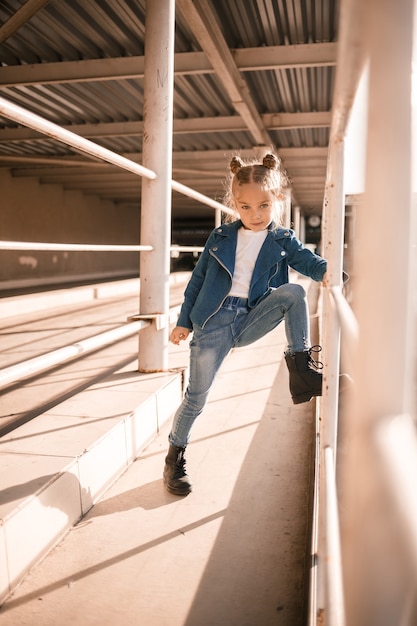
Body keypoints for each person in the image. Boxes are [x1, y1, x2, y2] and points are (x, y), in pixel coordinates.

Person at [164, 152, 328, 496]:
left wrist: (328, 272)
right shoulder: (221, 237)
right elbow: (197, 281)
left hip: (251, 317)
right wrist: (183, 322)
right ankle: (173, 460)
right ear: (234, 204)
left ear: (277, 201)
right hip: (212, 322)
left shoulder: (282, 238)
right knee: (196, 398)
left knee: (294, 292)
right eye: (246, 207)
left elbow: (307, 261)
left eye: (264, 206)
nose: (255, 215)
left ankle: (300, 371)